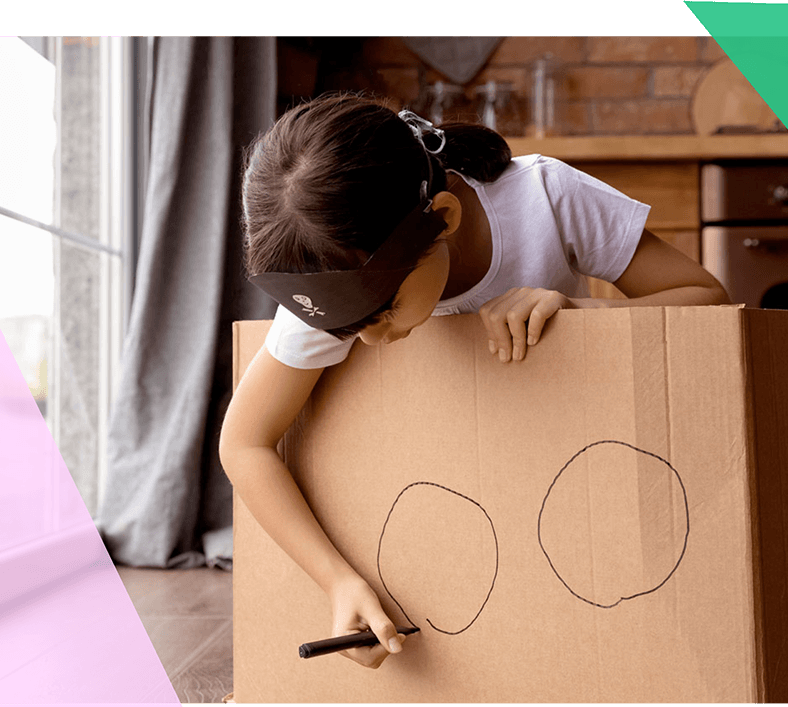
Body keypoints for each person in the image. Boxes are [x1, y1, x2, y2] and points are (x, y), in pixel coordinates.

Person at [219, 93, 729, 669]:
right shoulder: (335, 280)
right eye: (347, 326)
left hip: (578, 508)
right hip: (441, 559)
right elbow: (245, 443)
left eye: (384, 311)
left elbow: (709, 299)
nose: (367, 340)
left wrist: (584, 314)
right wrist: (337, 580)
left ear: (446, 218)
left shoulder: (545, 198)